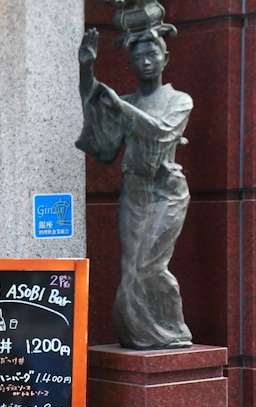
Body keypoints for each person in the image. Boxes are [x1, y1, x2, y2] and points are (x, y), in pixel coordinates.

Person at [76, 25, 193, 350]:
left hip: (167, 192)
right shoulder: (124, 101)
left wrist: (119, 106)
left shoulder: (179, 100)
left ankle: (171, 330)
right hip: (134, 192)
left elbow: (159, 132)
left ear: (165, 57)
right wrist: (86, 69)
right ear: (129, 63)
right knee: (130, 268)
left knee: (149, 265)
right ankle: (137, 335)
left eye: (152, 53)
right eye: (137, 56)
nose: (145, 61)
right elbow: (99, 119)